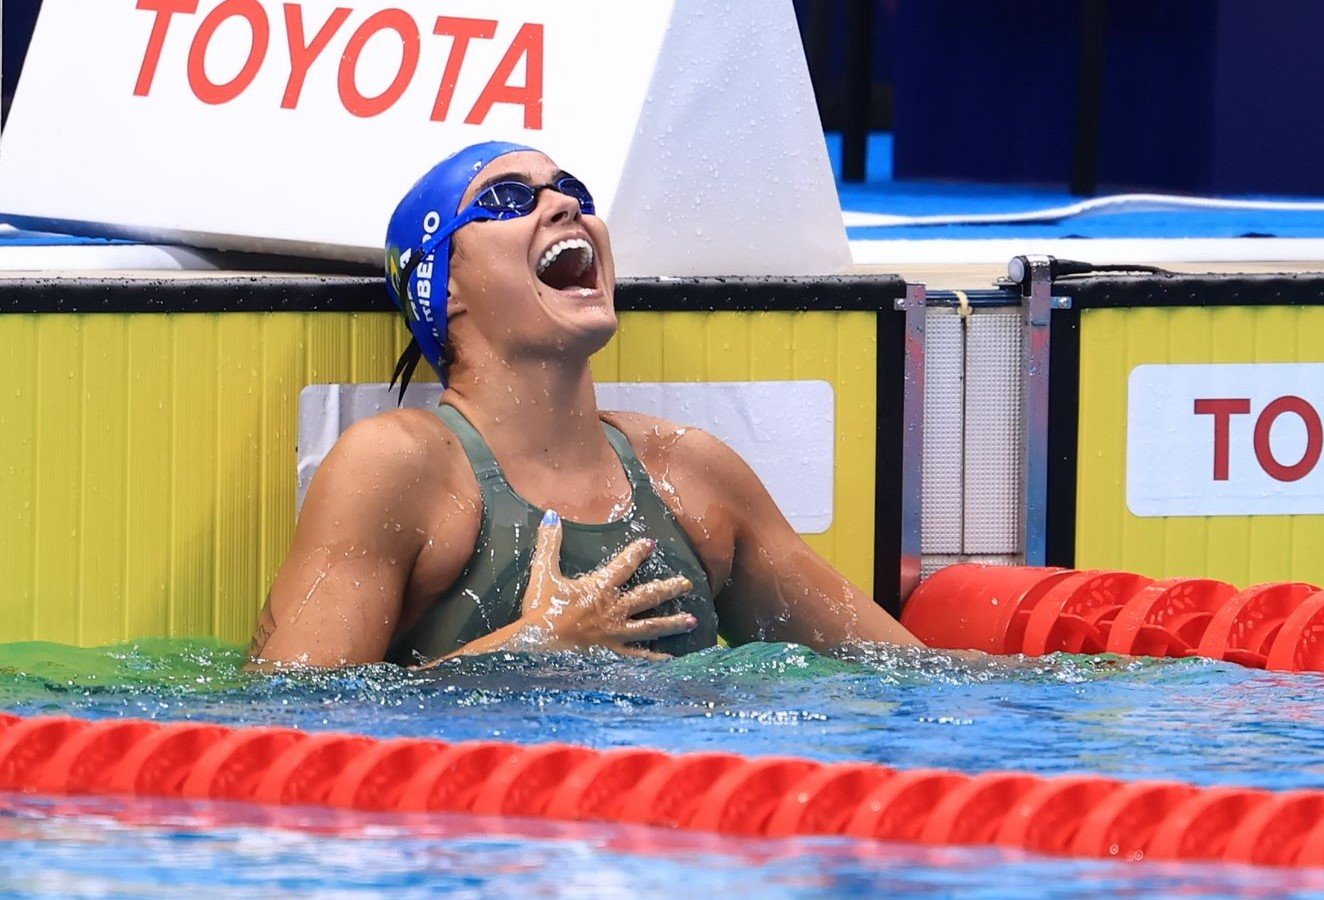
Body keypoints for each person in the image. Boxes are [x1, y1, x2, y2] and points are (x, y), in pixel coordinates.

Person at [249, 141, 921, 668]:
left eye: (572, 190)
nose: (564, 206)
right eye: (510, 199)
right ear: (444, 283)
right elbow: (293, 719)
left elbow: (892, 676)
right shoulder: (398, 467)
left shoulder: (691, 475)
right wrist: (520, 652)